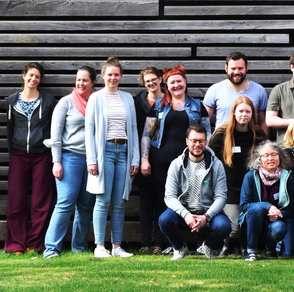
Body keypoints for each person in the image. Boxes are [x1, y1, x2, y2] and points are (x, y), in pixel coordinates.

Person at [140, 65, 211, 254]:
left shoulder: (197, 106)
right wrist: (144, 159)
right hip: (161, 163)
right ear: (166, 85)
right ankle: (165, 244)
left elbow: (207, 134)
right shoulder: (158, 106)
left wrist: (208, 156)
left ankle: (200, 244)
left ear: (185, 83)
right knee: (164, 202)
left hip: (192, 163)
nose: (176, 85)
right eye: (172, 82)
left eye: (179, 81)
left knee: (195, 200)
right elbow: (147, 134)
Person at [85, 56, 140, 258]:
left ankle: (117, 247)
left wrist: (135, 158)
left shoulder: (127, 98)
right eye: (109, 74)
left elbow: (133, 128)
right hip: (104, 152)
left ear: (121, 76)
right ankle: (100, 246)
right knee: (103, 200)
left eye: (116, 74)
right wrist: (92, 159)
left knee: (120, 201)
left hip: (123, 152)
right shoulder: (95, 98)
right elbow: (89, 130)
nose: (113, 78)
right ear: (103, 76)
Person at [43, 66, 98, 258]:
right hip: (69, 158)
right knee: (65, 203)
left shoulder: (97, 102)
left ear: (93, 83)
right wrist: (56, 161)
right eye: (78, 80)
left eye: (85, 80)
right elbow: (55, 136)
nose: (80, 83)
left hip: (92, 161)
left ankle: (79, 248)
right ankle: (51, 249)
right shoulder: (65, 103)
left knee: (85, 205)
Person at [4, 62, 57, 254]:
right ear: (23, 76)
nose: (33, 79)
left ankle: (34, 243)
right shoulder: (12, 102)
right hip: (19, 156)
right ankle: (16, 244)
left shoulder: (48, 100)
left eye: (37, 77)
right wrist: (12, 154)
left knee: (40, 202)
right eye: (30, 75)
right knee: (16, 201)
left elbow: (54, 128)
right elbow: (9, 132)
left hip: (42, 156)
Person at [159, 125, 231, 260]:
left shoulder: (217, 165)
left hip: (207, 213)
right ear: (187, 141)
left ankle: (208, 246)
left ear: (206, 141)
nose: (197, 144)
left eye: (201, 141)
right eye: (194, 140)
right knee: (164, 220)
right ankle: (179, 247)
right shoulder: (176, 164)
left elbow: (221, 197)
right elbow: (169, 196)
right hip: (183, 213)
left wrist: (207, 216)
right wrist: (185, 214)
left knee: (224, 227)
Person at [208, 96, 267, 256]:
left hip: (250, 189)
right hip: (228, 189)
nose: (244, 115)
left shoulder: (259, 134)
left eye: (248, 111)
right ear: (234, 112)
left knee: (248, 221)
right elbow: (209, 159)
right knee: (233, 228)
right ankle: (227, 244)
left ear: (252, 114)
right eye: (240, 111)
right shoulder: (221, 133)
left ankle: (242, 246)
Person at [239, 141, 294, 261]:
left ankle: (270, 249)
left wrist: (277, 214)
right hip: (252, 222)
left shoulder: (287, 177)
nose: (270, 158)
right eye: (266, 155)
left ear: (279, 157)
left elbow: (289, 209)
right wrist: (267, 206)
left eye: (274, 154)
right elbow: (244, 206)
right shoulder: (250, 176)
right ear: (260, 159)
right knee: (256, 208)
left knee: (280, 228)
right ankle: (251, 251)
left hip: (274, 222)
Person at [133, 66, 164, 254]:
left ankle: (159, 244)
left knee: (162, 202)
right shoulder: (138, 102)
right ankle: (145, 244)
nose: (151, 83)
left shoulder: (168, 101)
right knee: (145, 203)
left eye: (154, 79)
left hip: (163, 156)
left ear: (160, 79)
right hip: (143, 155)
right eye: (147, 81)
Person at [203, 51, 269, 135]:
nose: (237, 72)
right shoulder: (214, 90)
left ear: (246, 68)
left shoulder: (259, 90)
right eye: (233, 68)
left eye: (240, 68)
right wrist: (209, 141)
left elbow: (263, 122)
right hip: (221, 143)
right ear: (226, 68)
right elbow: (204, 121)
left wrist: (263, 143)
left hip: (250, 143)